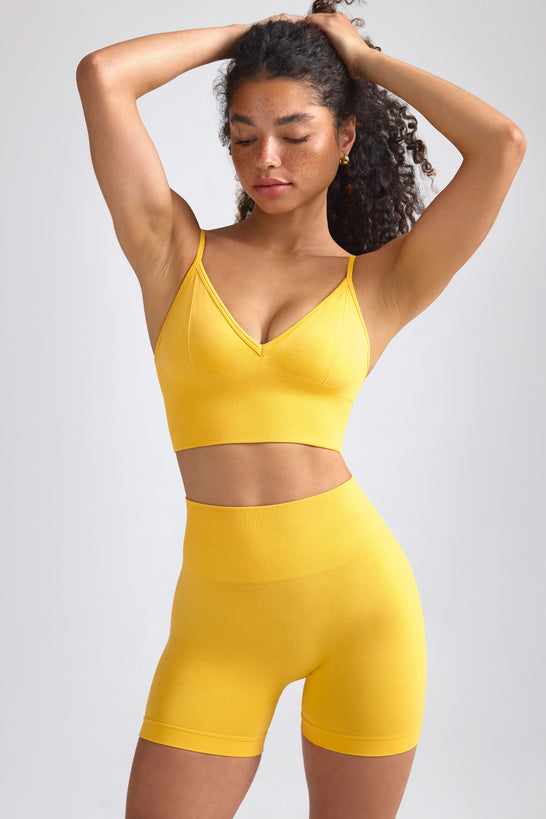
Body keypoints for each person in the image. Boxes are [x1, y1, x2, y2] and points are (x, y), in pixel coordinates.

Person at [76, 2, 526, 817]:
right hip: (218, 625)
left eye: (294, 133)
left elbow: (502, 145)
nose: (266, 158)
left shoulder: (380, 282)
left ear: (345, 135)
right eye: (244, 135)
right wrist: (248, 39)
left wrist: (361, 59)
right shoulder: (173, 252)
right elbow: (104, 77)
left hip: (362, 611)